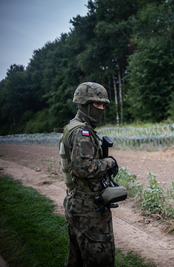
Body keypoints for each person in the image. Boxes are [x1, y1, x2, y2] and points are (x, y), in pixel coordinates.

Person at [60, 82, 118, 267]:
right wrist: (110, 162)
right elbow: (83, 167)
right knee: (101, 259)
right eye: (97, 104)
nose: (101, 109)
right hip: (88, 208)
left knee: (76, 260)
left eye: (103, 105)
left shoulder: (73, 126)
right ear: (84, 104)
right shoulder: (81, 133)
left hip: (77, 202)